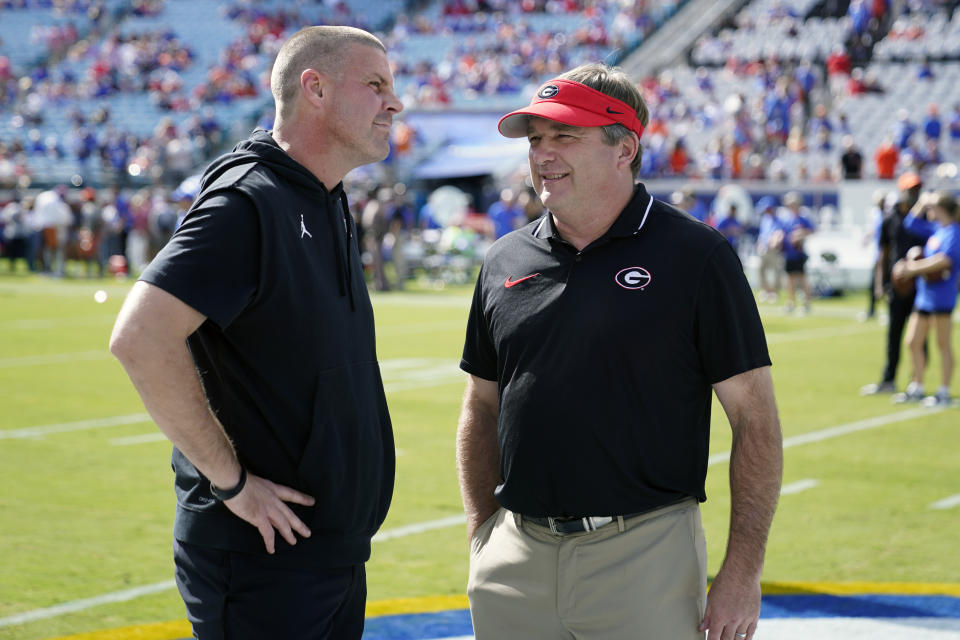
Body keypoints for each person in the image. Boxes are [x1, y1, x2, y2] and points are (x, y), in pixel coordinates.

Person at [457, 63, 783, 640]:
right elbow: (480, 407)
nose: (542, 154)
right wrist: (483, 535)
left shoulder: (697, 256)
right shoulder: (503, 259)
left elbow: (755, 421)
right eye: (536, 140)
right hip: (514, 553)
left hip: (644, 555)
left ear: (624, 147)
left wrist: (742, 571)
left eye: (565, 136)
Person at [108, 26, 401, 639]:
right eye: (375, 85)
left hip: (323, 553)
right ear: (313, 88)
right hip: (261, 559)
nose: (394, 103)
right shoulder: (250, 201)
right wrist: (232, 483)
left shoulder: (325, 195)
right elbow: (140, 336)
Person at [860, 172, 927, 396]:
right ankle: (889, 379)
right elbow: (884, 253)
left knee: (919, 336)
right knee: (894, 334)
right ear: (902, 190)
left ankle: (917, 381)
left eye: (917, 189)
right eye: (910, 189)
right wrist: (880, 284)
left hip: (920, 285)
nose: (914, 193)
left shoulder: (926, 218)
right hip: (897, 285)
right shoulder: (890, 218)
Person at [891, 191, 960, 406]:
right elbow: (910, 223)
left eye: (932, 207)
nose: (929, 211)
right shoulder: (937, 229)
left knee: (942, 344)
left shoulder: (954, 232)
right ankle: (918, 386)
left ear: (941, 209)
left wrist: (912, 269)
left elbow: (944, 261)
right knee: (913, 341)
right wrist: (922, 201)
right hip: (925, 295)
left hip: (942, 296)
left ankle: (943, 391)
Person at [780, 191, 815, 314]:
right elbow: (783, 233)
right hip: (789, 253)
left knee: (802, 278)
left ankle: (807, 303)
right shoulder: (787, 220)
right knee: (789, 279)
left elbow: (812, 231)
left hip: (799, 253)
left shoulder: (803, 219)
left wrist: (801, 234)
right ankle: (791, 302)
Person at [755, 195, 784, 303]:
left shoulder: (778, 219)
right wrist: (759, 243)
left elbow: (779, 234)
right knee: (761, 269)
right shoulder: (765, 219)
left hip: (775, 250)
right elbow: (762, 234)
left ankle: (773, 293)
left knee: (776, 271)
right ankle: (766, 291)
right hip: (764, 248)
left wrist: (776, 241)